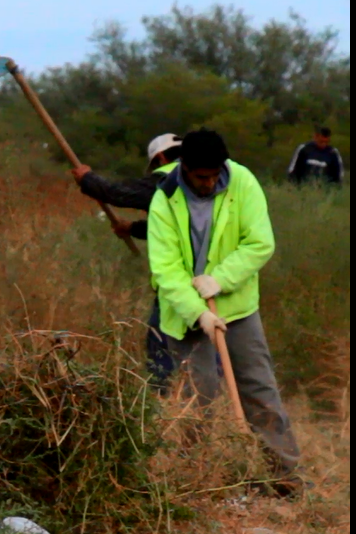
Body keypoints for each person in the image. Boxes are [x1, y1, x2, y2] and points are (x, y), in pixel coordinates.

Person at [146, 129, 302, 495]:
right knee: (196, 402)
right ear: (184, 168)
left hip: (238, 308)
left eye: (215, 174)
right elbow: (165, 271)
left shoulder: (242, 181)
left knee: (260, 391)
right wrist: (198, 313)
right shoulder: (164, 199)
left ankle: (285, 481)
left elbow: (260, 242)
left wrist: (220, 279)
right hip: (186, 316)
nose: (210, 182)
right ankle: (195, 486)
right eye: (202, 177)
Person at [71, 132, 183, 388]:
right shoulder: (206, 182)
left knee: (161, 342)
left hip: (177, 281)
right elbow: (175, 227)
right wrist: (132, 228)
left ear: (161, 157)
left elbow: (119, 193)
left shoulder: (170, 178)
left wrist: (88, 179)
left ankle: (162, 401)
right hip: (215, 279)